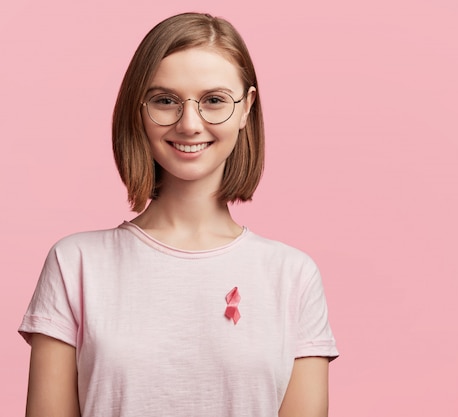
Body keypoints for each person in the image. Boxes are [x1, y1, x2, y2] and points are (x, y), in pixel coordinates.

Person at [18, 12, 338, 417]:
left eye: (215, 101)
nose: (190, 124)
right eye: (165, 100)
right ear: (139, 108)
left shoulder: (292, 276)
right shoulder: (76, 264)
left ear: (246, 109)